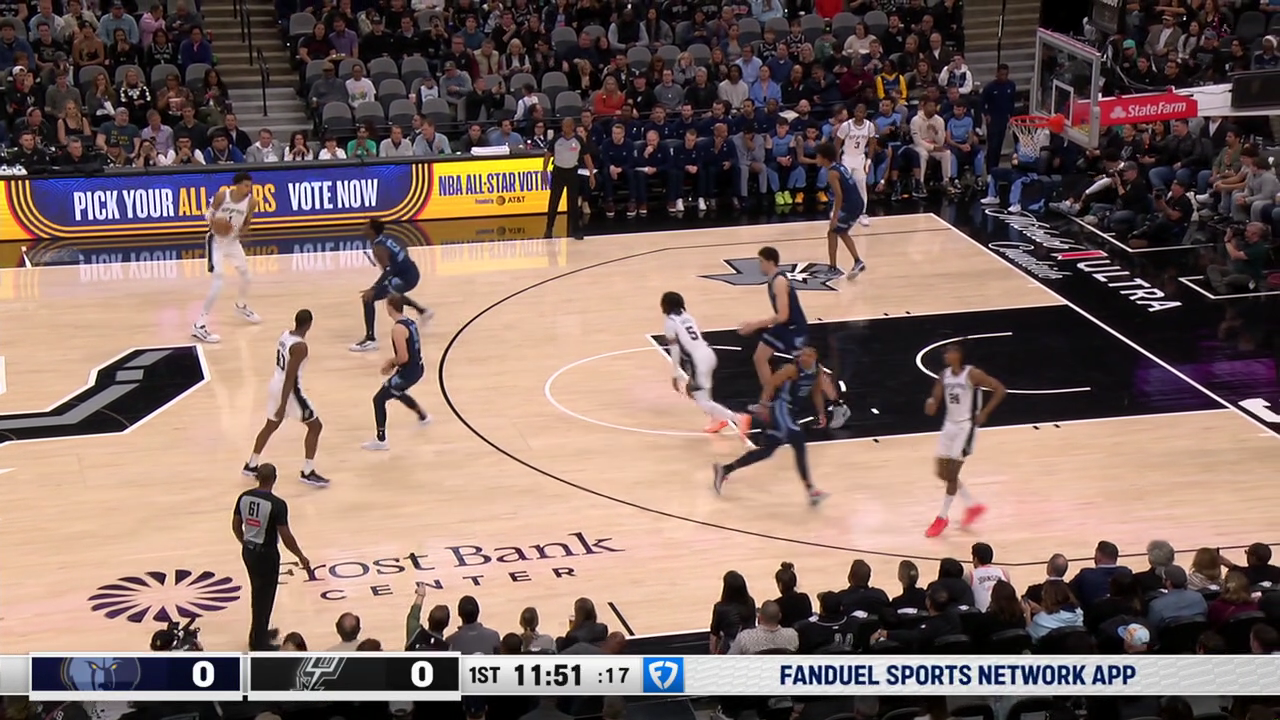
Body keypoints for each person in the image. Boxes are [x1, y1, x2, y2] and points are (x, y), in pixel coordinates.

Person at [712, 343, 830, 506]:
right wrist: (764, 406)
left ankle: (725, 469)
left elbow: (816, 392)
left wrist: (821, 413)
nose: (803, 357)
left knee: (767, 451)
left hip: (791, 413)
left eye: (808, 355)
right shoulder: (791, 369)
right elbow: (770, 383)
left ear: (815, 357)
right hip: (781, 408)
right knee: (798, 441)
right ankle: (811, 491)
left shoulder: (817, 371)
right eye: (802, 354)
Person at [922, 341, 1004, 538]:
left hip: (964, 428)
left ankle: (942, 517)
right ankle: (972, 505)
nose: (945, 356)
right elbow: (935, 399)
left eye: (948, 352)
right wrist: (931, 404)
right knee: (942, 472)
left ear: (958, 355)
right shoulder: (944, 375)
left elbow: (1000, 389)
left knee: (952, 473)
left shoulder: (972, 374)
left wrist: (985, 412)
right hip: (949, 426)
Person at [243, 309, 330, 487]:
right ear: (310, 325)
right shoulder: (300, 347)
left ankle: (251, 465)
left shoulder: (285, 335)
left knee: (270, 425)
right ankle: (308, 472)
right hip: (289, 391)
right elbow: (290, 377)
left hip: (275, 383)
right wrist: (283, 405)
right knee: (315, 426)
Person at [233, 463, 311, 650]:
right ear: (275, 478)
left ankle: (259, 632)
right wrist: (300, 555)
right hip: (266, 554)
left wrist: (244, 542)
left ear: (257, 477)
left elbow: (235, 525)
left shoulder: (244, 497)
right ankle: (258, 643)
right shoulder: (277, 504)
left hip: (249, 551)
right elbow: (286, 536)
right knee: (265, 597)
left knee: (257, 593)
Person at [660, 291, 748, 434]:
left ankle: (738, 418)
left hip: (698, 360)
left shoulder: (671, 322)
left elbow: (675, 349)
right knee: (696, 392)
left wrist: (676, 373)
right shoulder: (688, 317)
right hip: (708, 354)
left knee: (702, 400)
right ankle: (718, 420)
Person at [192, 171, 261, 343]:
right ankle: (200, 324)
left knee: (246, 275)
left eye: (250, 186)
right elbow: (208, 214)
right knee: (219, 281)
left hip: (233, 242)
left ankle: (241, 305)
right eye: (246, 185)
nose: (249, 189)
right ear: (236, 185)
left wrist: (243, 232)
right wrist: (216, 224)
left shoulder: (252, 202)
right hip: (216, 241)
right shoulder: (222, 196)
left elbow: (247, 222)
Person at [350, 219, 430, 352]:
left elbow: (388, 270)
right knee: (393, 293)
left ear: (372, 231)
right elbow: (403, 247)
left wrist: (374, 288)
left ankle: (370, 340)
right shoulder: (385, 240)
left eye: (366, 226)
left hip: (405, 277)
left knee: (368, 298)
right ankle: (423, 312)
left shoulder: (379, 248)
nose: (363, 228)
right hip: (410, 272)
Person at [362, 295, 430, 451]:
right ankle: (423, 416)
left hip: (408, 372)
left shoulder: (398, 329)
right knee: (395, 391)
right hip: (417, 367)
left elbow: (403, 357)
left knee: (379, 399)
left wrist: (390, 363)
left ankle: (381, 440)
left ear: (390, 307)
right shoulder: (410, 322)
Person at [737, 246, 808, 392]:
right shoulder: (773, 279)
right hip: (785, 326)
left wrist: (755, 325)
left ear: (770, 262)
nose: (759, 265)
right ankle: (769, 398)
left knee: (806, 368)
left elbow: (783, 316)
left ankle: (832, 397)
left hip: (794, 328)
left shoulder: (779, 281)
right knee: (759, 358)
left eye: (761, 261)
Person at [817, 142, 867, 279]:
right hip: (857, 203)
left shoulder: (832, 173)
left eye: (818, 156)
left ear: (825, 158)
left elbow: (839, 196)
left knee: (832, 232)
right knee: (842, 232)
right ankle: (858, 261)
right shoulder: (839, 166)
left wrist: (834, 217)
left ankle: (833, 268)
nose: (816, 159)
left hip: (850, 205)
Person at [543, 117, 595, 241]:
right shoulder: (556, 138)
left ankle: (576, 230)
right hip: (558, 172)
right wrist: (544, 170)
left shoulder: (578, 140)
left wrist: (591, 173)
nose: (564, 128)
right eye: (563, 126)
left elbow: (587, 157)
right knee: (554, 201)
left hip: (572, 172)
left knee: (573, 203)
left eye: (566, 126)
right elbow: (548, 155)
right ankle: (549, 229)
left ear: (572, 127)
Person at [833, 102, 874, 227]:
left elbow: (872, 143)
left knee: (861, 186)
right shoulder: (846, 126)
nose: (858, 114)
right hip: (847, 158)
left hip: (860, 158)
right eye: (856, 111)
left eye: (861, 112)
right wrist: (837, 162)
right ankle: (837, 211)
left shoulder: (869, 126)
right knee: (843, 186)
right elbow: (837, 143)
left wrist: (869, 160)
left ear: (865, 114)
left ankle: (862, 213)